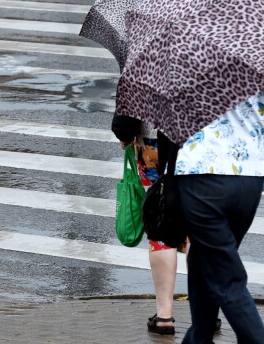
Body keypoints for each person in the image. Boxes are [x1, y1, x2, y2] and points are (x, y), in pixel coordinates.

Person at [175, 91, 264, 344]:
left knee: (226, 277)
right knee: (206, 258)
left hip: (201, 173)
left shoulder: (184, 62)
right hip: (249, 174)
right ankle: (198, 338)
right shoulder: (254, 60)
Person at [112, 114, 187, 335]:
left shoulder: (147, 75)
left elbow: (130, 94)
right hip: (200, 144)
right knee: (197, 227)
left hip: (152, 142)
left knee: (159, 218)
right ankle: (207, 314)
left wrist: (125, 132)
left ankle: (164, 315)